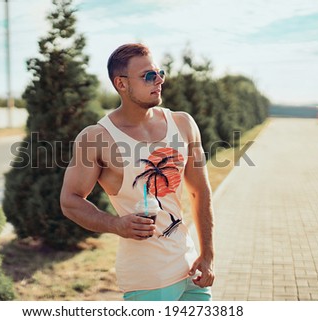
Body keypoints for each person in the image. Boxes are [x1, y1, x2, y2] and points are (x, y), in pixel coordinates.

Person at [60, 43, 215, 301]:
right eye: (148, 76)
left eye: (160, 72)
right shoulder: (97, 138)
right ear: (121, 84)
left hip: (191, 270)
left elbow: (200, 191)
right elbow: (70, 201)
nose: (159, 80)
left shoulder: (183, 123)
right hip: (149, 280)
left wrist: (208, 255)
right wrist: (115, 224)